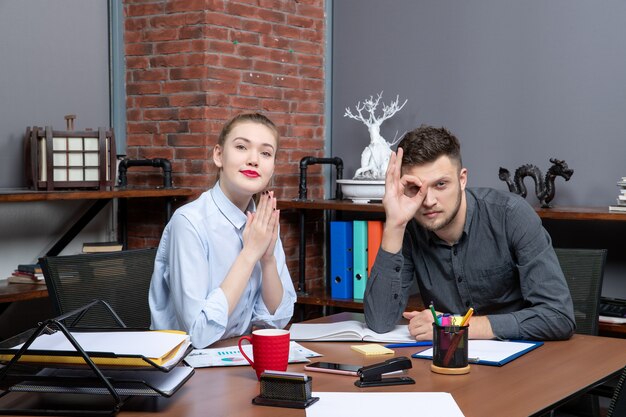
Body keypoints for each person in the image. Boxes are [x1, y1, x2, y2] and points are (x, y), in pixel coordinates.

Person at [364, 125, 575, 341]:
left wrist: (452, 325)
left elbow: (558, 316)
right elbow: (379, 322)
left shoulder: (511, 215)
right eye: (414, 188)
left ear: (462, 179)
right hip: (447, 362)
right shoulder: (408, 225)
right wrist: (394, 225)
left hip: (521, 361)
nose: (428, 201)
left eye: (441, 184)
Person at [149, 113, 297, 348]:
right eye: (241, 147)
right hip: (182, 366)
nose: (254, 160)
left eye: (266, 153)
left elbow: (277, 319)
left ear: (273, 166)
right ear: (219, 155)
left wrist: (267, 260)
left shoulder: (262, 221)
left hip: (235, 356)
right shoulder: (189, 222)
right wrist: (250, 254)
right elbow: (198, 334)